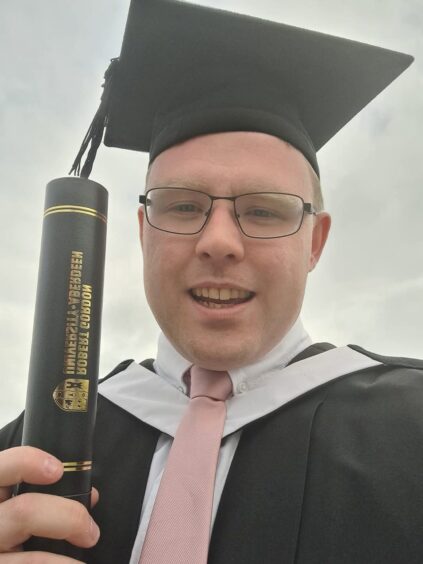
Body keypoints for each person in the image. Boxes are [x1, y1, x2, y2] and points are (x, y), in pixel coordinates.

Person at [1, 0, 422, 562]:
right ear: (143, 233)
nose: (218, 241)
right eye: (181, 206)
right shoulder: (29, 452)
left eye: (265, 211)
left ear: (315, 243)